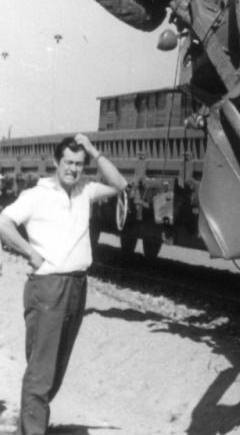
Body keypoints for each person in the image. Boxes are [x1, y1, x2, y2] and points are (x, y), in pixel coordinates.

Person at [0, 134, 127, 435]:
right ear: (56, 162)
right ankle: (32, 430)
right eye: (68, 162)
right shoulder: (37, 195)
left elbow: (120, 184)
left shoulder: (85, 190)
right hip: (48, 288)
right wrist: (30, 253)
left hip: (76, 286)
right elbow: (3, 222)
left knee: (56, 368)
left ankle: (29, 427)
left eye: (79, 164)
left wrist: (94, 151)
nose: (73, 169)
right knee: (42, 370)